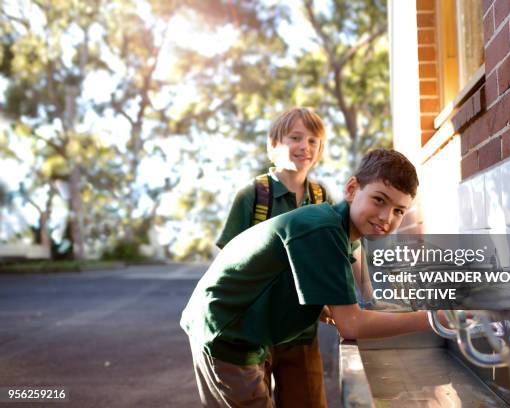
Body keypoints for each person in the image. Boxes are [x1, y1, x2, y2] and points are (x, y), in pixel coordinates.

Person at [181, 148, 434, 408]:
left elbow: (304, 286)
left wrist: (336, 310)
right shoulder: (324, 230)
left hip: (247, 329)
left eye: (399, 211)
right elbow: (352, 325)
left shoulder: (337, 229)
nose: (386, 217)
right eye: (379, 200)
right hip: (226, 333)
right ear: (351, 189)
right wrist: (434, 318)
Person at [215, 107, 332, 407]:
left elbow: (335, 257)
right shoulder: (253, 196)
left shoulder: (321, 199)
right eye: (295, 138)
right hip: (255, 332)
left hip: (301, 332)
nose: (304, 146)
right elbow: (227, 264)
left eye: (313, 141)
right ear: (273, 145)